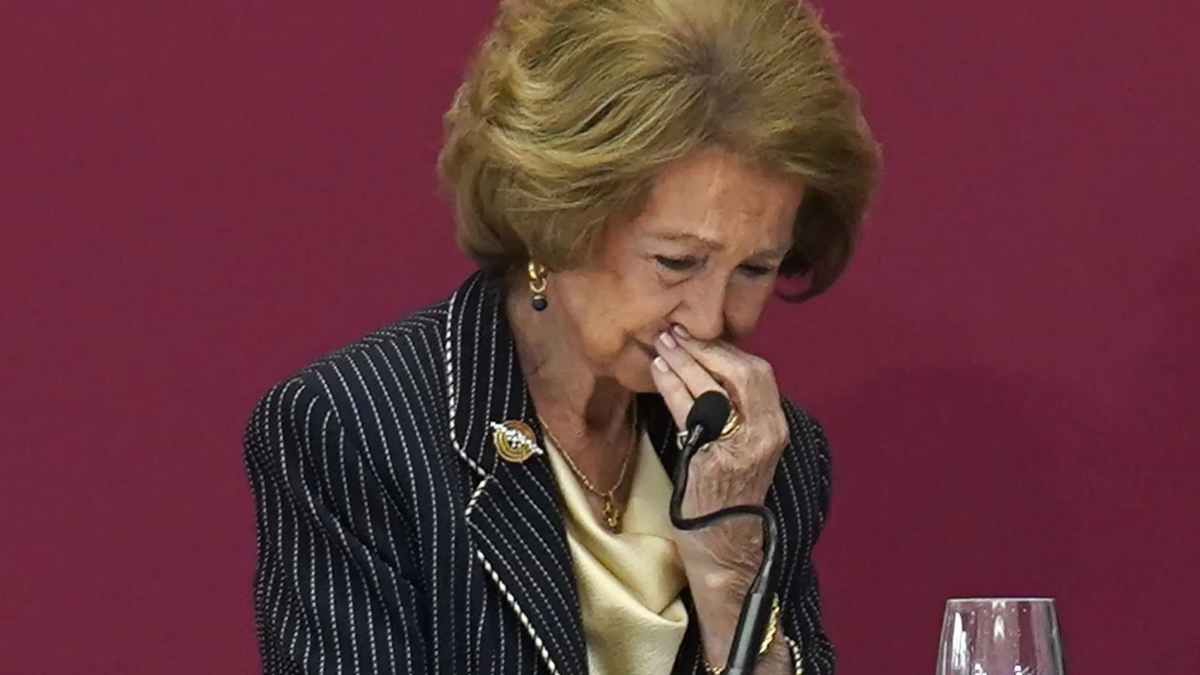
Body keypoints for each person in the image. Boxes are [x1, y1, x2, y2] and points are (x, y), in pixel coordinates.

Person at [242, 0, 880, 673]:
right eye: (676, 262)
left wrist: (730, 573)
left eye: (755, 269)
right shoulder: (359, 432)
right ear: (556, 221)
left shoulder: (759, 455)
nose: (710, 320)